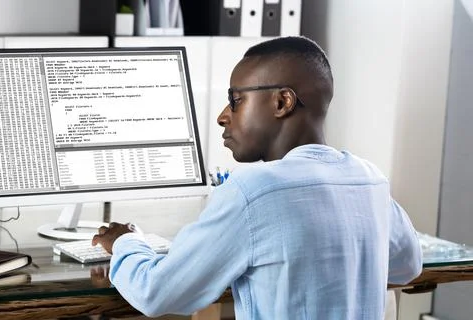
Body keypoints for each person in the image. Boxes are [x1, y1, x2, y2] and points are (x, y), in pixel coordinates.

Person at [91, 36, 422, 319]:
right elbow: (409, 265)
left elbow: (157, 292)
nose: (223, 116)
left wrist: (125, 242)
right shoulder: (369, 179)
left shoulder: (253, 191)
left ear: (282, 101)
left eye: (236, 100)